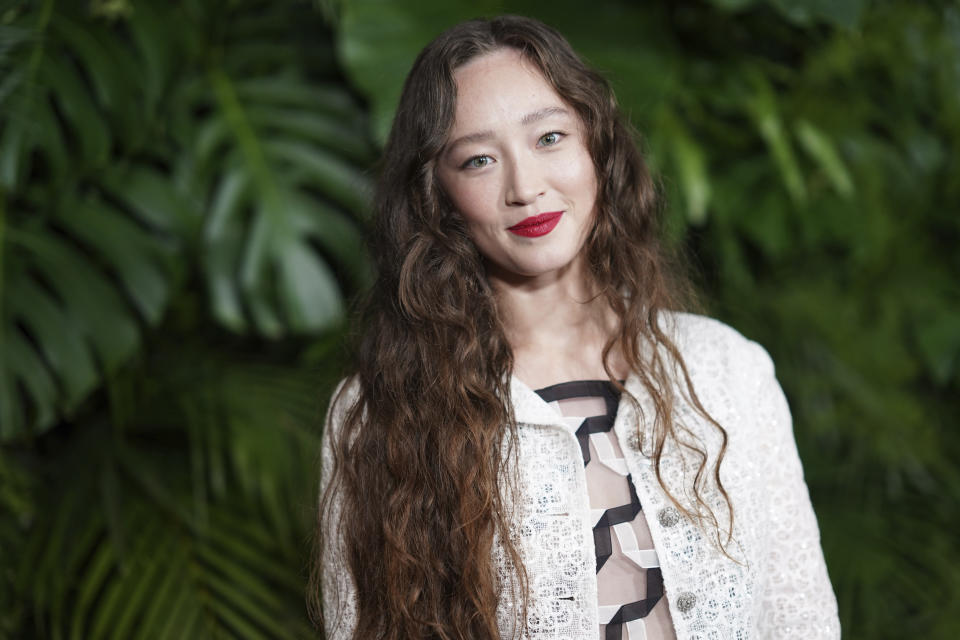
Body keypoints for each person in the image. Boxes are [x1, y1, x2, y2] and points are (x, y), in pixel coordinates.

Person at [309, 15, 840, 640]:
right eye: (479, 159)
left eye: (549, 138)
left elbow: (801, 617)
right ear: (437, 195)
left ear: (596, 148)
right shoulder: (379, 414)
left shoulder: (728, 369)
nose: (526, 187)